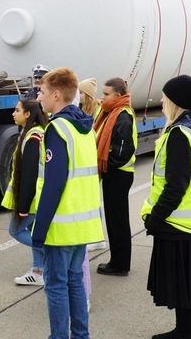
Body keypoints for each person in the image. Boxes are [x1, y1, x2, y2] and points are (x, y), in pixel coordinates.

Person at [141, 75, 191, 339]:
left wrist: (155, 218)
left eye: (165, 96)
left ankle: (185, 330)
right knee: (186, 280)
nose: (161, 101)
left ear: (175, 102)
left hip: (178, 221)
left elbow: (176, 186)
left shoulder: (179, 135)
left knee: (179, 281)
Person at [33, 67, 104, 339]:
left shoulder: (56, 129)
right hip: (82, 222)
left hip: (61, 225)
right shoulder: (85, 126)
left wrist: (39, 231)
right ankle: (80, 336)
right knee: (75, 280)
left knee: (56, 284)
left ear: (57, 94)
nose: (39, 98)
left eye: (43, 92)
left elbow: (54, 183)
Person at [0, 98, 48, 286]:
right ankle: (38, 271)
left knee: (15, 230)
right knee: (33, 231)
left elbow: (30, 173)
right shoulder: (34, 133)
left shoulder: (34, 136)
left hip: (33, 197)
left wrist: (23, 206)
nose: (13, 113)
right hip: (38, 195)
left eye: (17, 110)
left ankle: (50, 252)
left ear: (27, 114)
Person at [94, 77, 137, 276]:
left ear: (118, 96)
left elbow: (122, 151)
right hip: (115, 174)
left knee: (117, 220)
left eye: (106, 94)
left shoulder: (122, 115)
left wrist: (105, 167)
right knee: (114, 219)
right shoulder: (112, 112)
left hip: (119, 175)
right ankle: (118, 260)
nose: (102, 98)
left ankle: (119, 264)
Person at [78, 77, 107, 253]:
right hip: (86, 160)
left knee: (93, 201)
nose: (78, 95)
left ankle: (98, 238)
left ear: (88, 95)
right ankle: (94, 236)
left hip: (93, 160)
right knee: (89, 201)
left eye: (81, 93)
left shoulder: (98, 111)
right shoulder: (81, 109)